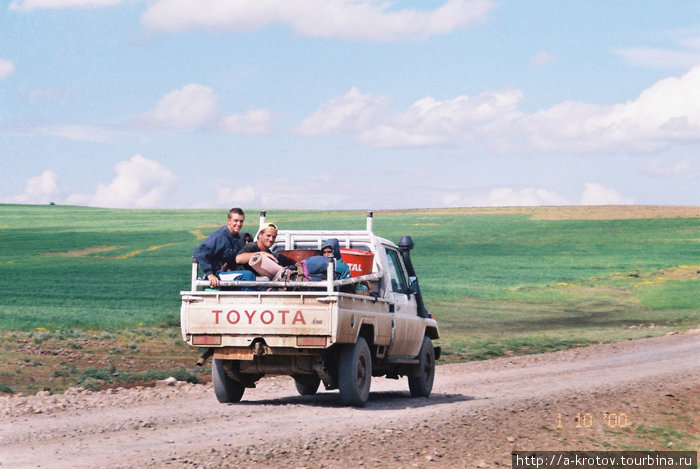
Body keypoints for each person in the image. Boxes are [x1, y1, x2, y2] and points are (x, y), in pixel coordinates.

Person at [193, 207, 255, 288]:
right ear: (228, 221)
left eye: (241, 221)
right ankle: (248, 300)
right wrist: (210, 274)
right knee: (248, 276)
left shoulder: (237, 238)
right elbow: (199, 251)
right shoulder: (219, 236)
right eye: (236, 221)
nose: (239, 224)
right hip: (217, 274)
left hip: (226, 272)